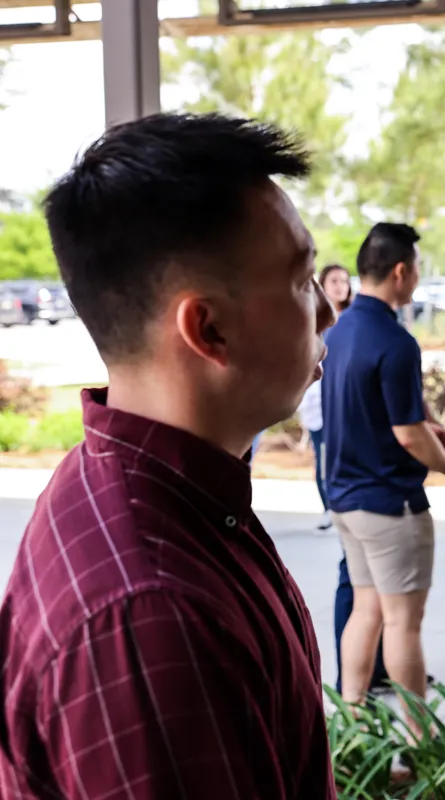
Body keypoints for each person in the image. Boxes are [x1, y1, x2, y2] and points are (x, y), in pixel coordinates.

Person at [0, 113, 337, 797]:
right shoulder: (150, 615)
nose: (328, 314)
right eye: (303, 283)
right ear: (208, 328)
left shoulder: (145, 488)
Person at [323, 221, 445, 708]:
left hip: (345, 500)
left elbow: (389, 413)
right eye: (417, 269)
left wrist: (430, 426)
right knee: (402, 623)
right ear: (401, 271)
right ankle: (421, 752)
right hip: (390, 505)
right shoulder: (396, 342)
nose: (417, 277)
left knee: (366, 611)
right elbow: (407, 434)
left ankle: (354, 739)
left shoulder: (339, 331)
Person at [298, 263, 354, 531]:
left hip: (346, 400)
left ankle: (344, 504)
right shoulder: (313, 320)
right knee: (322, 457)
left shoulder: (354, 320)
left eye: (344, 280)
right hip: (319, 399)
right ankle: (328, 507)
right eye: (334, 281)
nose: (340, 285)